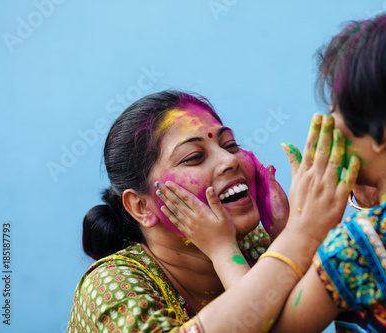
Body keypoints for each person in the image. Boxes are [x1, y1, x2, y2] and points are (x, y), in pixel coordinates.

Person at [159, 11, 386, 333]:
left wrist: (224, 248)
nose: (329, 122)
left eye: (335, 109)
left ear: (379, 132)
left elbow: (263, 326)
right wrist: (284, 227)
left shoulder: (362, 245)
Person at [66, 90, 291, 332]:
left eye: (230, 145)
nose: (230, 160)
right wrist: (224, 250)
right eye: (194, 157)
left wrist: (286, 232)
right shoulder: (110, 287)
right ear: (141, 207)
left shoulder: (261, 246)